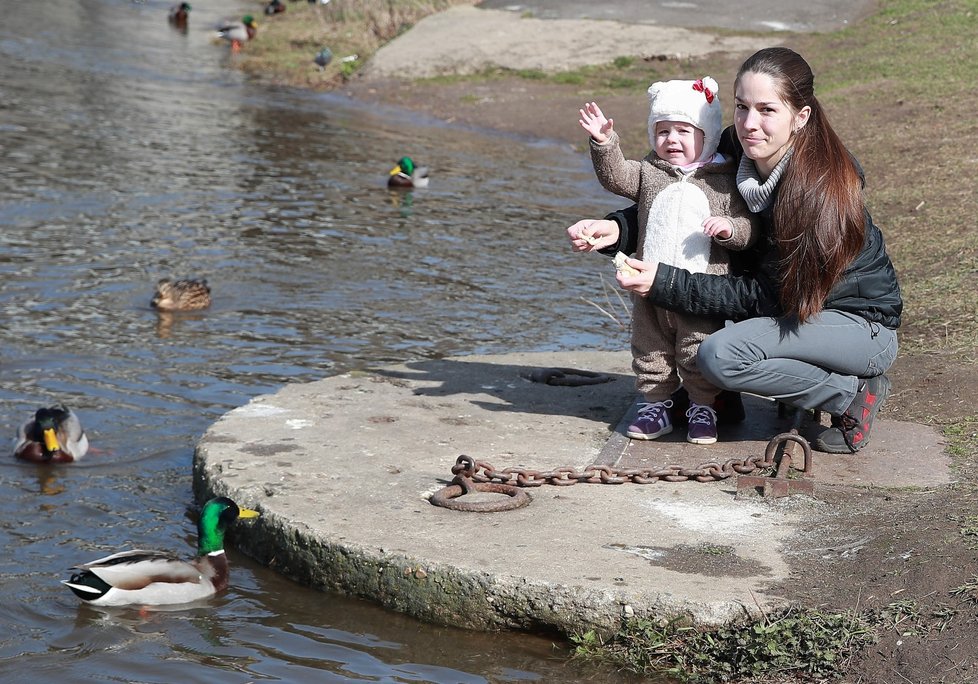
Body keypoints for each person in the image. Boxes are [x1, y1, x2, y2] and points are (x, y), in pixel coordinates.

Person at [567, 47, 902, 454]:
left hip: (857, 326)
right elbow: (681, 202)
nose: (749, 124)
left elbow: (764, 297)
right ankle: (717, 397)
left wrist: (665, 283)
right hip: (797, 310)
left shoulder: (816, 194)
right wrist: (617, 230)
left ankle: (850, 394)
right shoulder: (734, 150)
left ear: (801, 117)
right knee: (720, 353)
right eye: (742, 107)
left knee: (720, 357)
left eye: (767, 110)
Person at [575, 78, 757, 445]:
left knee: (697, 348)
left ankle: (703, 406)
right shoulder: (649, 173)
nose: (671, 140)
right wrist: (604, 142)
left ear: (705, 134)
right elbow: (615, 177)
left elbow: (749, 228)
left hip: (701, 291)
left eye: (683, 131)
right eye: (662, 131)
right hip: (648, 287)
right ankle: (655, 404)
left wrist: (729, 230)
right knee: (650, 347)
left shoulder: (723, 182)